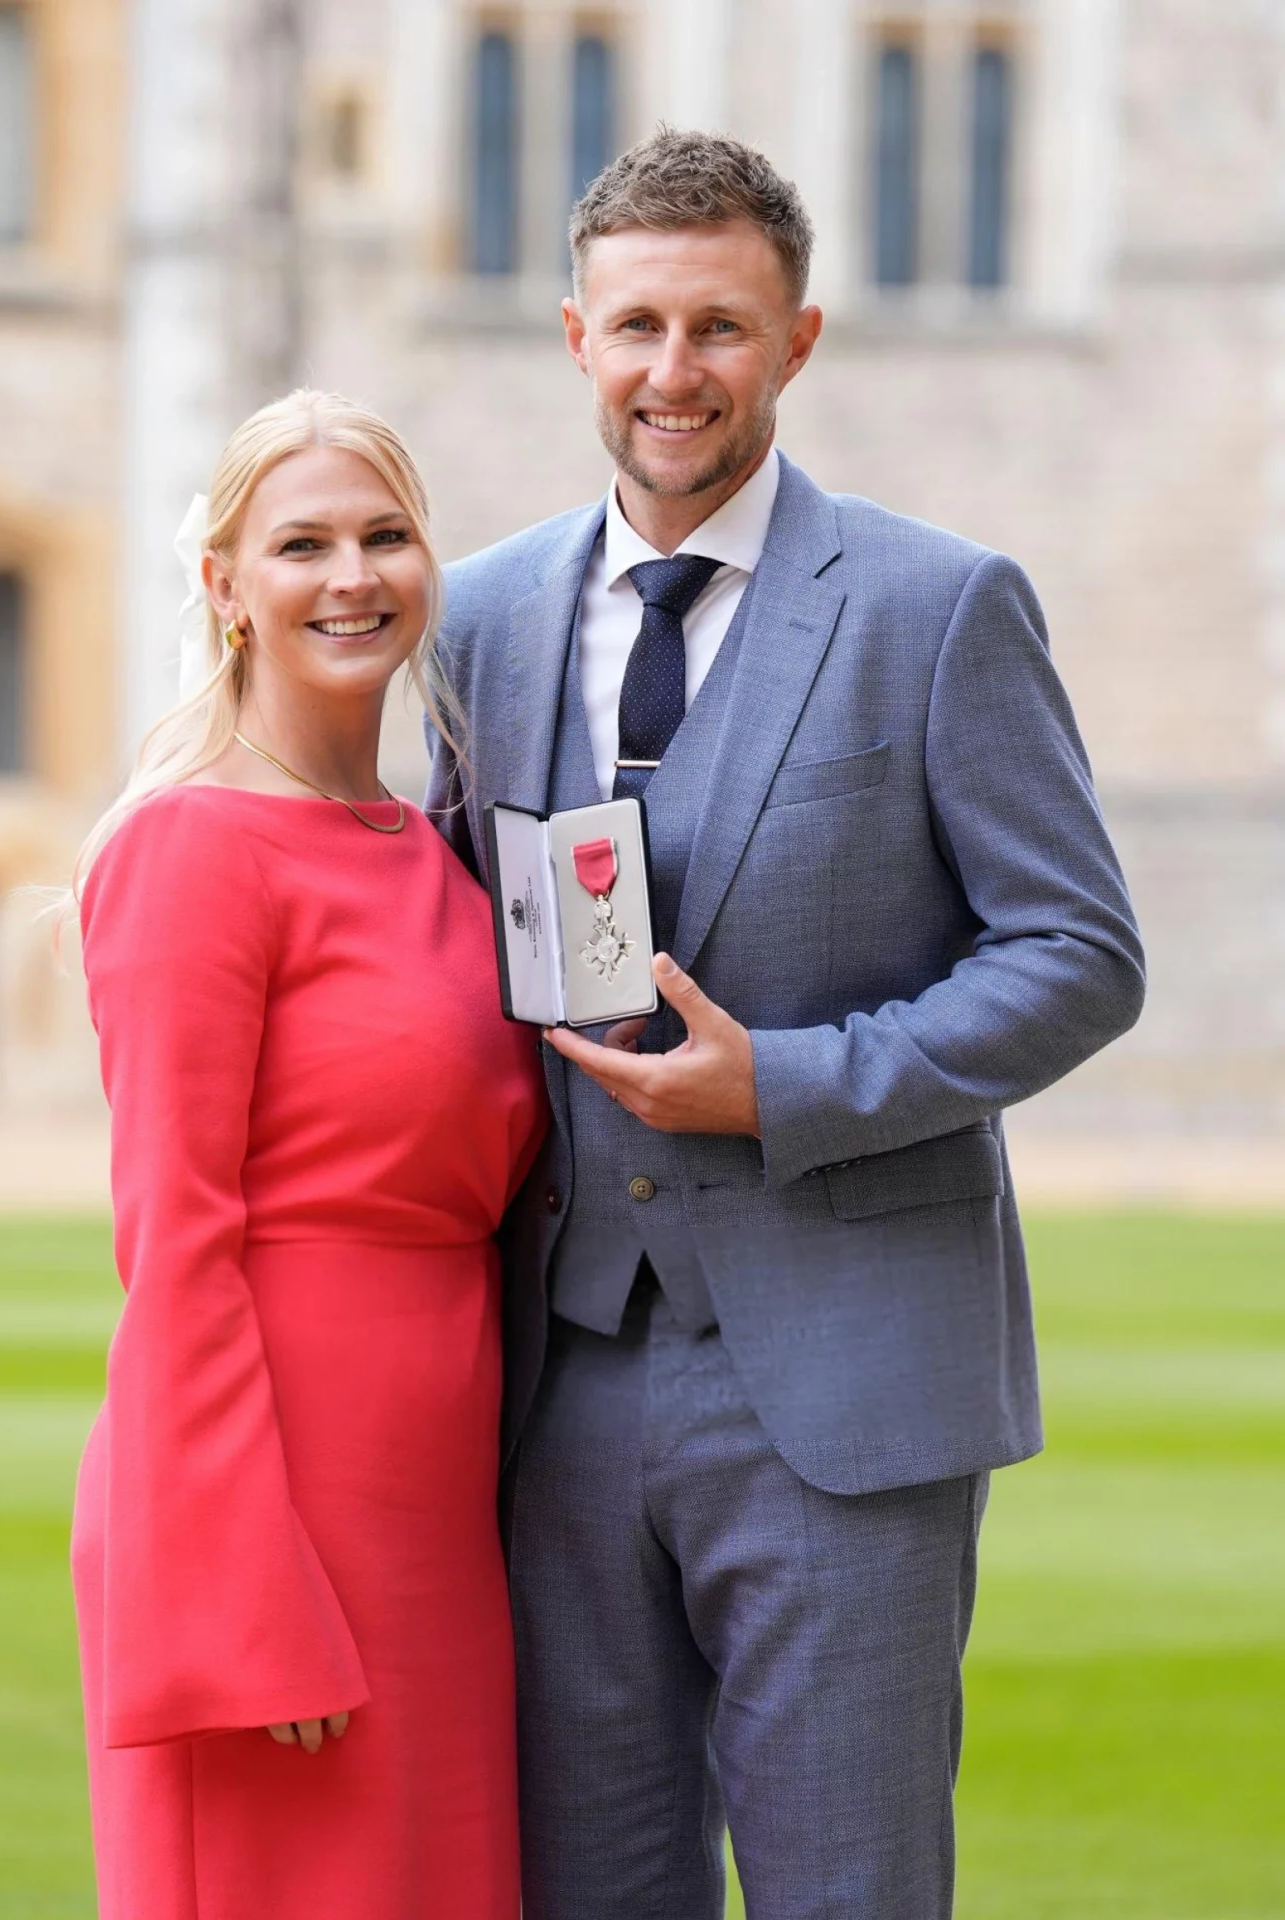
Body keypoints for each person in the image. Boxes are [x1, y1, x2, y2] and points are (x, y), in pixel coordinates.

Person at [426, 130, 1145, 1920]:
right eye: (643, 326)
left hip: (844, 1383)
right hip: (557, 1383)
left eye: (724, 331)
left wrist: (790, 1086)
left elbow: (1078, 950)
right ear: (575, 336)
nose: (679, 373)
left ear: (799, 342)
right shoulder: (482, 617)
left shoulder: (936, 605)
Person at [69, 390, 545, 1920]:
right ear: (226, 586)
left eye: (385, 536)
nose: (353, 575)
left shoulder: (439, 848)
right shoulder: (188, 851)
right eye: (303, 544)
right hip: (278, 1511)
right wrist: (243, 1594)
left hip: (441, 1510)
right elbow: (176, 1240)